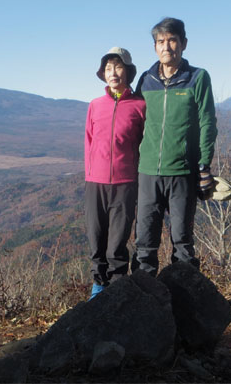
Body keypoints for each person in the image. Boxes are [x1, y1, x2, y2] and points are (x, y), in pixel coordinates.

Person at [133, 17, 217, 275]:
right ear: (154, 47)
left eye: (172, 40)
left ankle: (186, 302)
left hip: (182, 171)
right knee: (144, 242)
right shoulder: (146, 80)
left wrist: (203, 166)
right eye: (160, 41)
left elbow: (207, 123)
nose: (166, 46)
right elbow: (134, 122)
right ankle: (144, 302)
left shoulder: (198, 78)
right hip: (147, 172)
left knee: (182, 242)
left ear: (183, 43)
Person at [84, 47, 146, 299]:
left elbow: (145, 143)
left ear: (128, 72)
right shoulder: (95, 105)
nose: (113, 73)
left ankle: (118, 289)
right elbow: (88, 141)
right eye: (108, 68)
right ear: (103, 74)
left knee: (117, 241)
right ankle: (98, 286)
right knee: (95, 236)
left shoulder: (140, 106)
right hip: (94, 182)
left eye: (118, 67)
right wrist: (90, 174)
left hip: (126, 182)